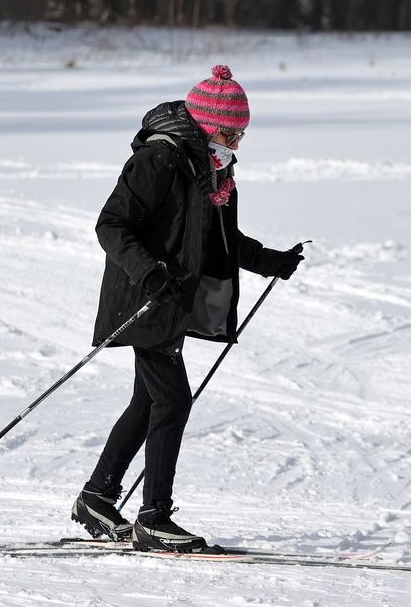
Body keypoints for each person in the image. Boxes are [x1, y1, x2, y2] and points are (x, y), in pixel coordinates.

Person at [71, 65, 304, 553]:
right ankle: (153, 518)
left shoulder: (211, 170)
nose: (236, 142)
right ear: (204, 124)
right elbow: (111, 225)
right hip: (145, 297)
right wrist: (149, 271)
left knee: (149, 401)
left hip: (172, 299)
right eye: (229, 132)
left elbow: (219, 239)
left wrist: (269, 262)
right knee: (173, 399)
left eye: (241, 134)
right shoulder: (160, 160)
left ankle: (97, 496)